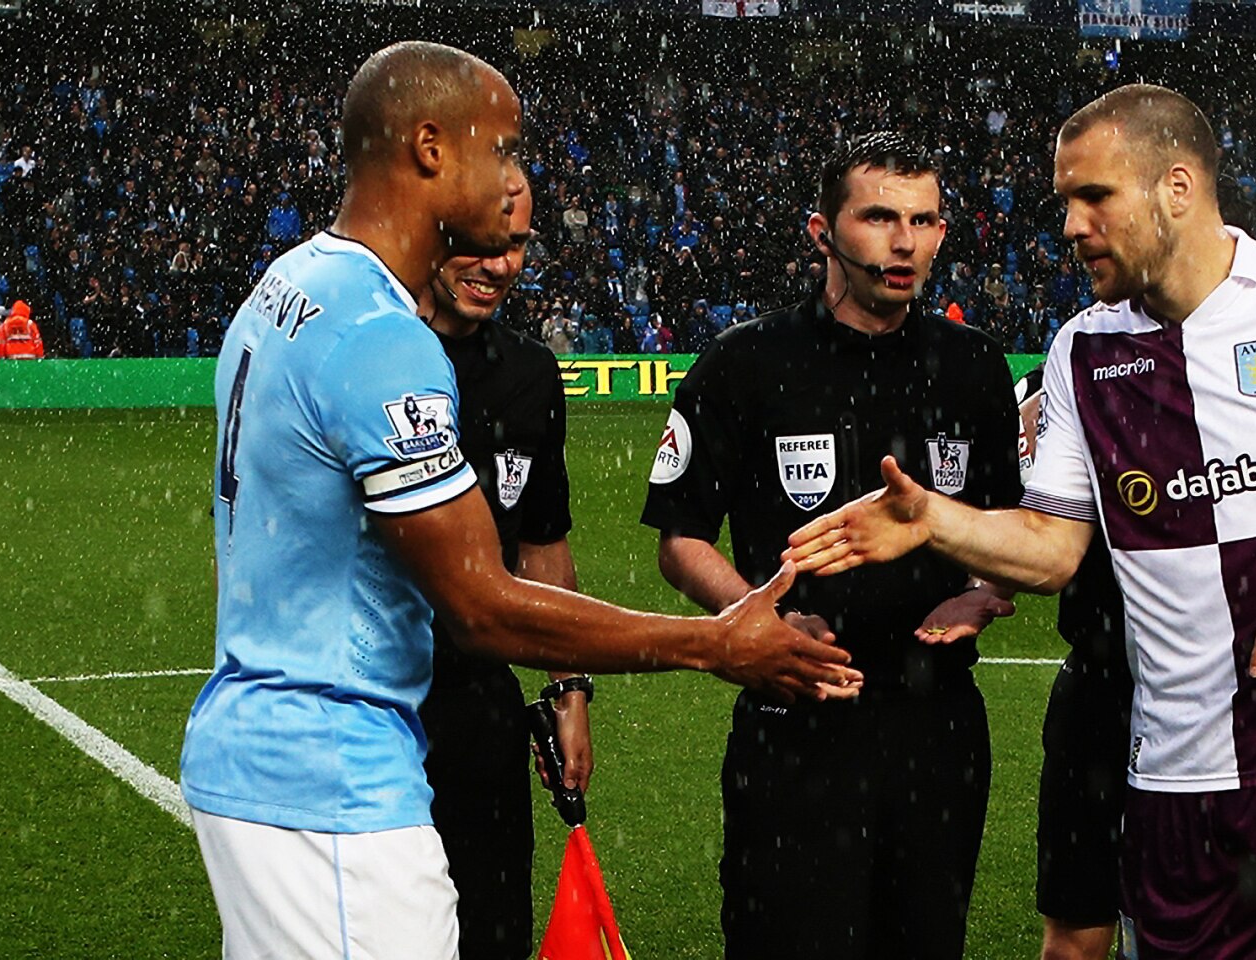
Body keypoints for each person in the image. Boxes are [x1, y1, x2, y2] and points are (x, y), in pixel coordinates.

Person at [787, 85, 1256, 960]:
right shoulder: (1083, 351)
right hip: (1175, 781)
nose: (1069, 224)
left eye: (1093, 196)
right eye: (1065, 200)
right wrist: (933, 520)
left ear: (1177, 188)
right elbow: (1054, 550)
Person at [178, 42, 860, 960]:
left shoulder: (292, 282)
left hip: (262, 754)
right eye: (500, 148)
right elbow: (481, 606)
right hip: (331, 784)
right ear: (429, 147)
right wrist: (713, 642)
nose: (513, 179)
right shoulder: (381, 336)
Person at [640, 132, 1022, 960]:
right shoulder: (745, 362)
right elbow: (681, 538)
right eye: (879, 216)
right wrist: (752, 619)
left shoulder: (975, 369)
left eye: (923, 219)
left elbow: (1012, 533)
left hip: (937, 727)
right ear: (823, 231)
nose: (904, 240)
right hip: (796, 717)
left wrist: (985, 592)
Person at [415, 175, 588, 960]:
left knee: (493, 931)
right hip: (367, 705)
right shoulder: (371, 353)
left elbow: (542, 547)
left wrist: (569, 690)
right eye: (481, 243)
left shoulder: (529, 375)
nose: (498, 264)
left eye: (515, 246)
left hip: (480, 704)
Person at [1016, 366, 1135, 960]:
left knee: (1198, 924)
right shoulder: (1072, 363)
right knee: (1074, 929)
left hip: (1206, 692)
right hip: (1097, 684)